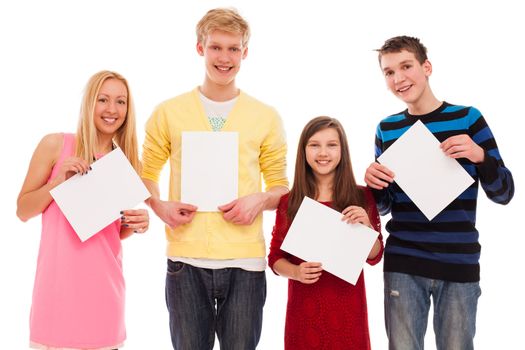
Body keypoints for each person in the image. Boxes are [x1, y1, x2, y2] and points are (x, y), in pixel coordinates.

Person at [140, 7, 288, 350]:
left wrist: (260, 200)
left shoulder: (265, 117)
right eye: (216, 47)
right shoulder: (168, 112)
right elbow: (146, 171)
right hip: (186, 262)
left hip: (246, 263)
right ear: (200, 48)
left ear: (245, 53)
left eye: (233, 48)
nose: (225, 57)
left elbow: (281, 186)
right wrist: (159, 206)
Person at [364, 36, 515, 350]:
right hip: (403, 261)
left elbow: (504, 193)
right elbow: (385, 207)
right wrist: (374, 184)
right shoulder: (386, 128)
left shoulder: (468, 119)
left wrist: (480, 157)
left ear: (426, 67)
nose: (398, 78)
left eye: (406, 66)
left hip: (457, 262)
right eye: (389, 72)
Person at [16, 70, 150, 350]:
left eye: (121, 101)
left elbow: (111, 231)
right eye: (103, 99)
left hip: (105, 302)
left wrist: (137, 223)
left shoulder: (127, 162)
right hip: (55, 301)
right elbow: (23, 210)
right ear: (89, 103)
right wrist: (56, 182)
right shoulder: (56, 145)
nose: (112, 110)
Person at [268, 116, 384, 350]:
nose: (323, 152)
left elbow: (375, 256)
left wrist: (368, 229)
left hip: (348, 308)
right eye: (314, 145)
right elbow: (275, 259)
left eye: (332, 145)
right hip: (304, 309)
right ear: (304, 151)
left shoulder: (362, 197)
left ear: (342, 151)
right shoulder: (289, 202)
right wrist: (296, 271)